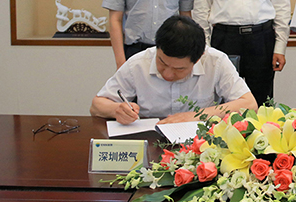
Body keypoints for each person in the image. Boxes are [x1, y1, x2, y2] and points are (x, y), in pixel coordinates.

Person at [90, 15, 257, 124]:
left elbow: (249, 104)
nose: (168, 74)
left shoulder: (216, 61)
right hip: (151, 141)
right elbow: (96, 106)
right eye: (162, 63)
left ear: (198, 58)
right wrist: (117, 110)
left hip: (200, 145)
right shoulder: (138, 63)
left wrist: (195, 116)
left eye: (179, 69)